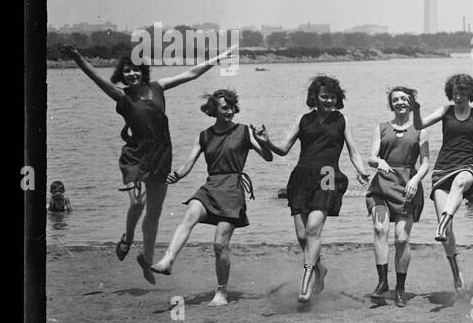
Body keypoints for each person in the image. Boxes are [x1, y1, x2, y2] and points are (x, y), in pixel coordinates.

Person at [61, 42, 232, 281]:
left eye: (136, 70)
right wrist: (78, 56)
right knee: (138, 202)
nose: (132, 74)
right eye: (127, 71)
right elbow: (95, 78)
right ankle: (128, 237)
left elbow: (191, 73)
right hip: (136, 155)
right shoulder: (121, 95)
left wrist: (220, 57)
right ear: (122, 74)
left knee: (155, 211)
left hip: (161, 155)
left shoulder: (158, 87)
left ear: (143, 72)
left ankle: (147, 258)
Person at [146, 88, 273, 305]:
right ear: (214, 110)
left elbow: (268, 158)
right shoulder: (204, 135)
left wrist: (265, 141)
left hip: (232, 190)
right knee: (189, 215)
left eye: (232, 107)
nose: (230, 111)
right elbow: (189, 164)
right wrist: (177, 175)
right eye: (225, 108)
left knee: (219, 245)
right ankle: (168, 259)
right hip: (211, 186)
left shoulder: (244, 131)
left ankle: (221, 292)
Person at [259, 75, 369, 302]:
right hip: (301, 177)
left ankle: (306, 284)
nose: (329, 101)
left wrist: (361, 170)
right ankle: (319, 269)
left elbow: (353, 150)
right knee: (302, 235)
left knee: (312, 229)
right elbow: (282, 149)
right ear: (315, 98)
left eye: (332, 97)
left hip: (328, 176)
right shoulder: (303, 119)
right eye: (324, 97)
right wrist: (266, 141)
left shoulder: (341, 119)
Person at [419, 73, 473, 290]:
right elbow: (419, 124)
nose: (458, 97)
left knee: (460, 183)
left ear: (470, 94)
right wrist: (415, 108)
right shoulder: (445, 111)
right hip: (441, 169)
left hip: (466, 167)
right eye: (455, 94)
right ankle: (456, 272)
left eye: (463, 93)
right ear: (451, 94)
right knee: (448, 236)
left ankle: (443, 221)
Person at [366, 86, 429, 306]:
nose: (400, 102)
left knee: (402, 238)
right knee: (380, 229)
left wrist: (415, 179)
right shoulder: (381, 128)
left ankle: (400, 288)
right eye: (396, 99)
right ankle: (383, 283)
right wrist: (378, 161)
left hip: (407, 185)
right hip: (382, 185)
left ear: (411, 103)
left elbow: (426, 164)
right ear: (391, 104)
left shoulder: (420, 130)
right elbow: (371, 158)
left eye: (404, 99)